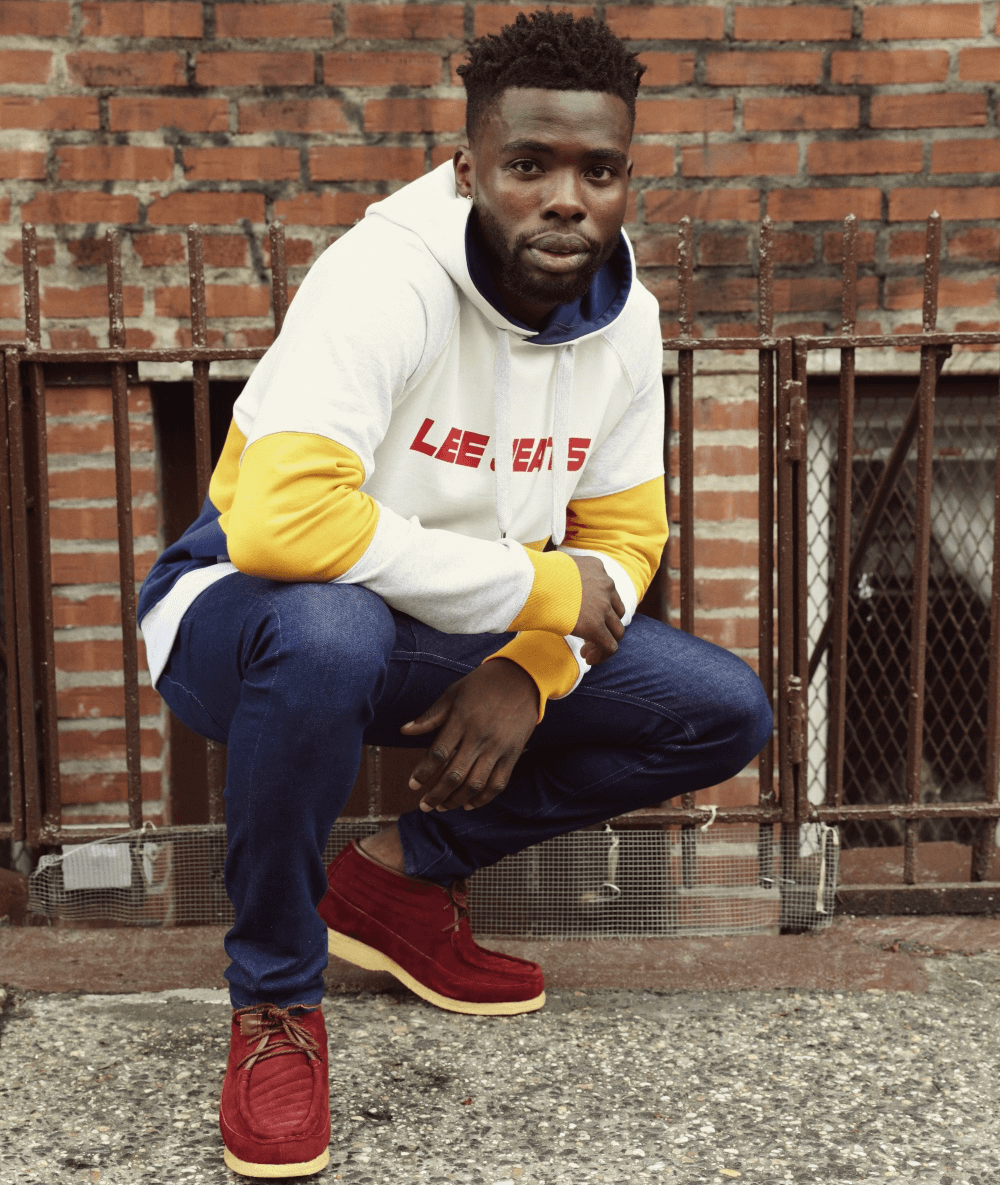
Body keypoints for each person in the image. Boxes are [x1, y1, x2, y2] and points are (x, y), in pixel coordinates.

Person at [138, 10, 773, 1178]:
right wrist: (536, 592)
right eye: (529, 165)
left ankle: (397, 883)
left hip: (450, 626)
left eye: (600, 170)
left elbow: (626, 535)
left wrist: (531, 671)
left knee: (722, 709)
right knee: (331, 629)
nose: (567, 198)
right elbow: (288, 524)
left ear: (628, 177)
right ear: (469, 167)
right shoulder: (382, 276)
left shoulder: (625, 322)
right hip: (244, 613)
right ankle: (274, 1004)